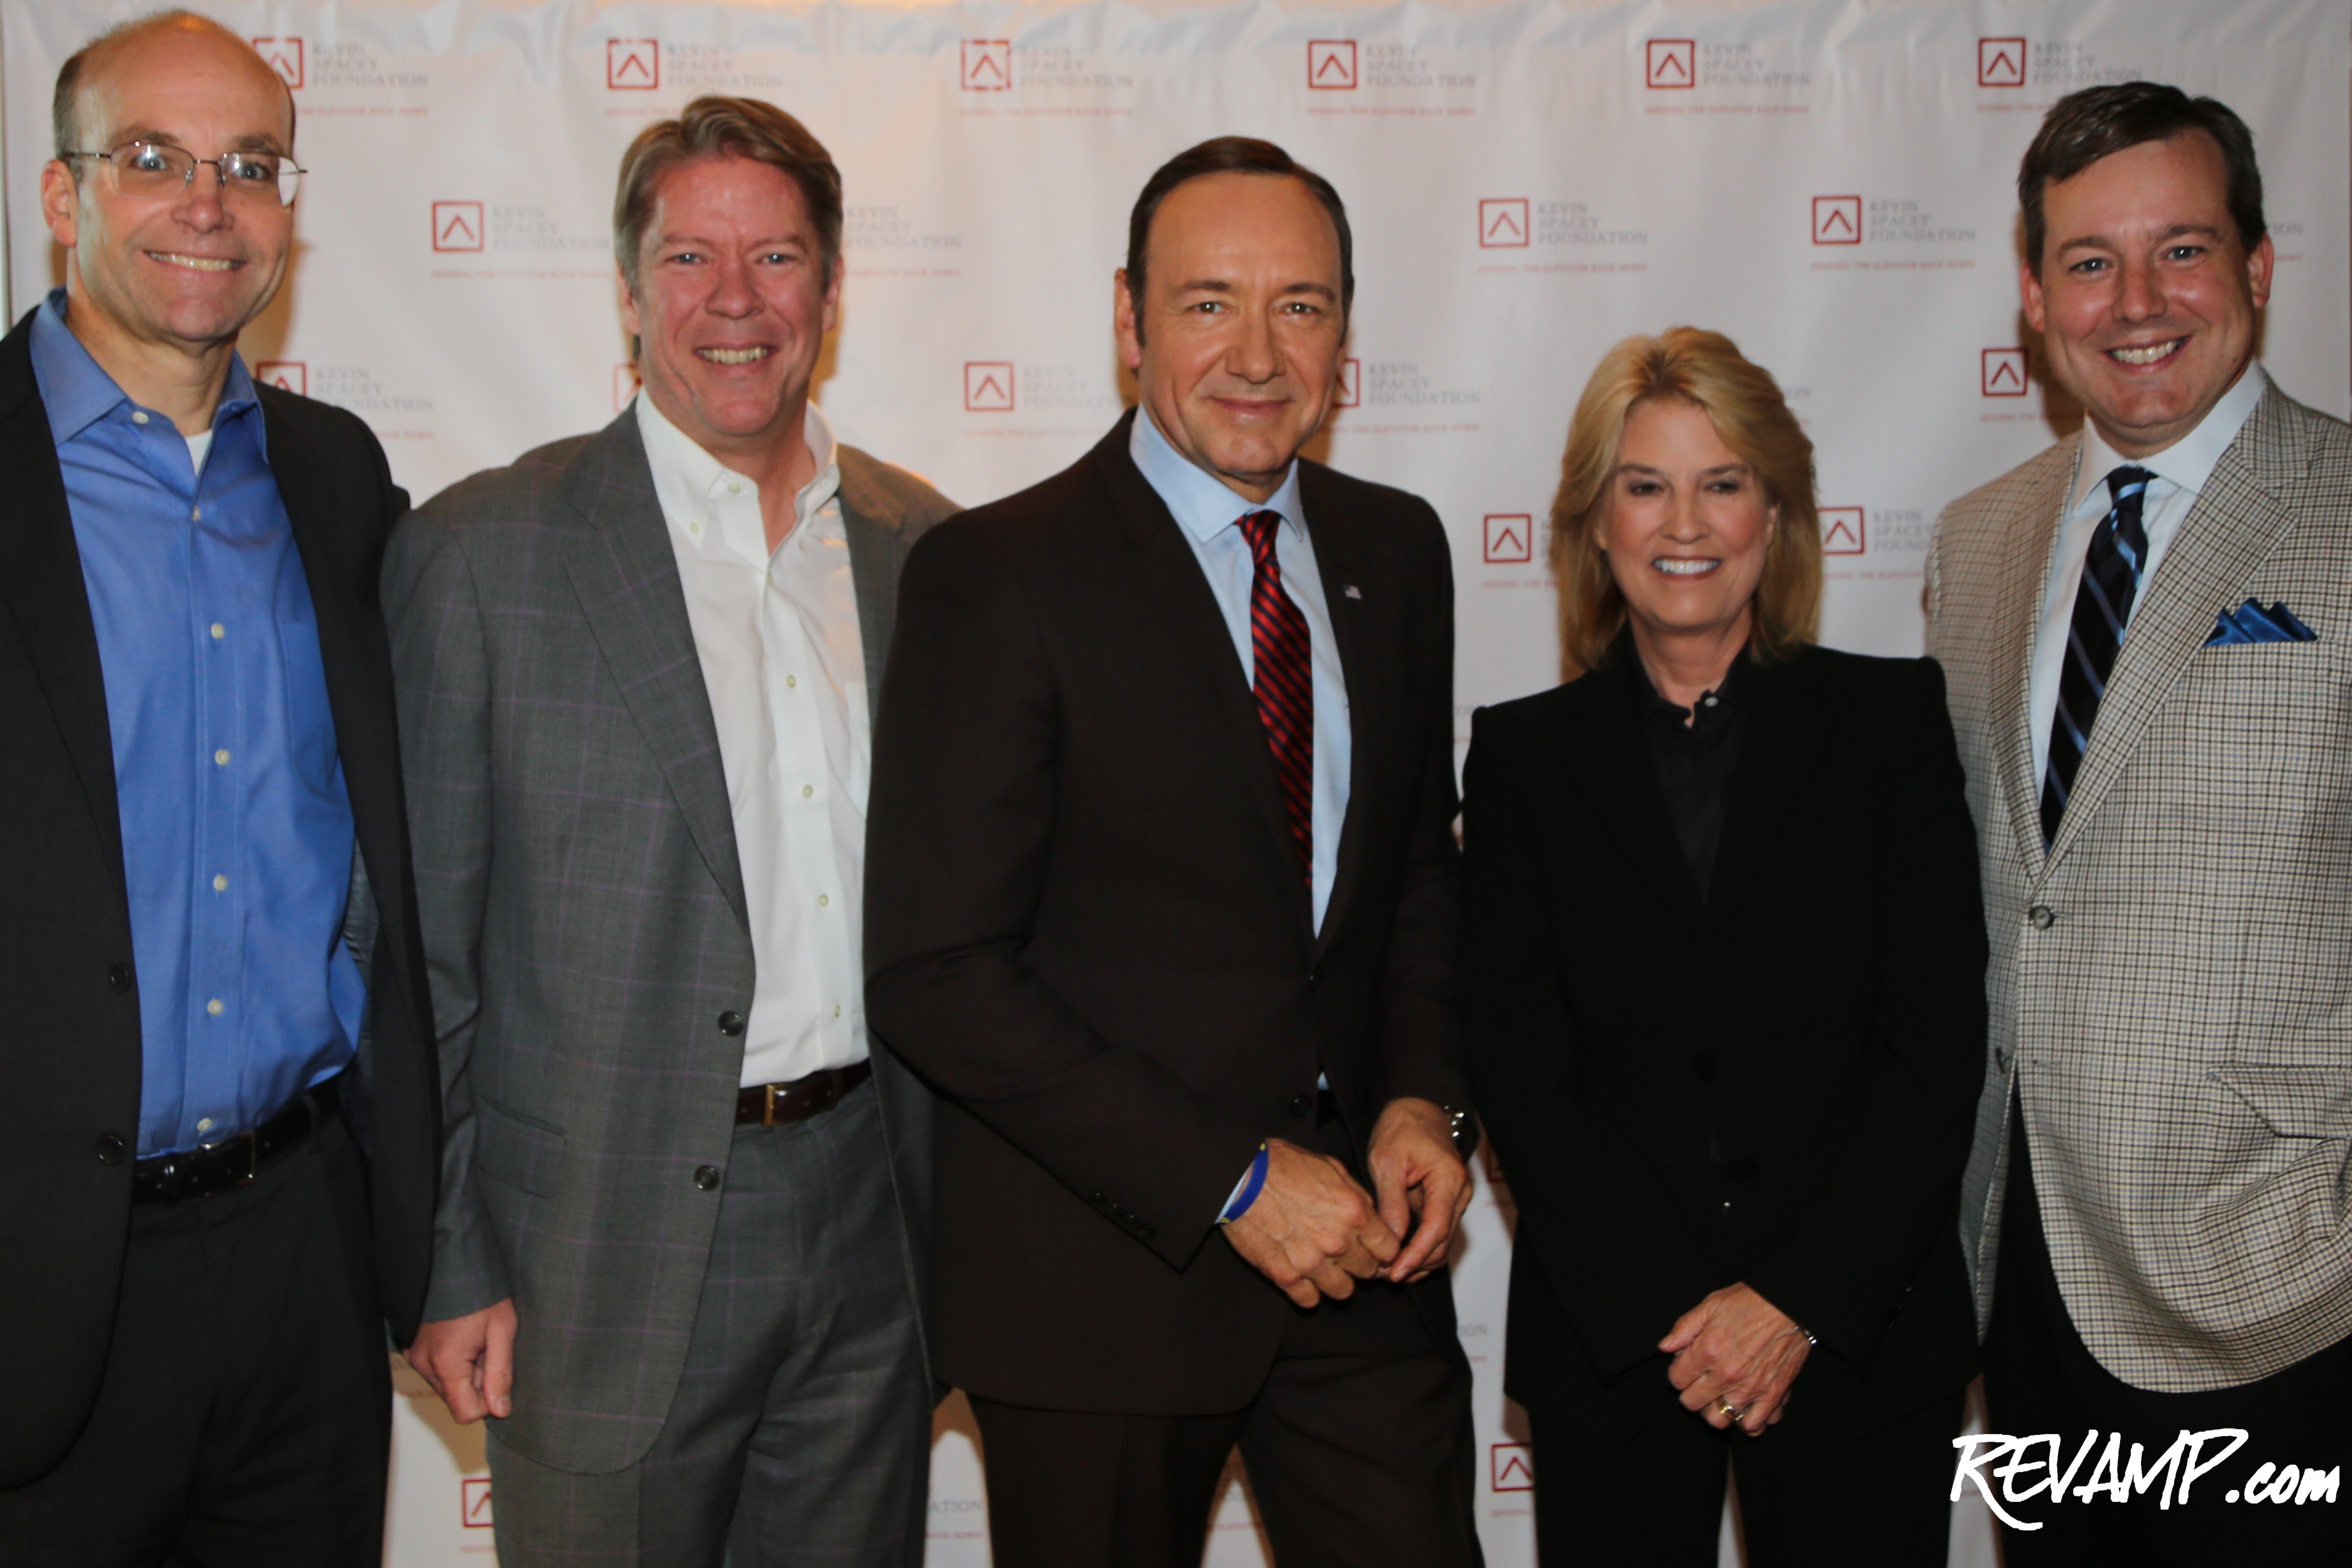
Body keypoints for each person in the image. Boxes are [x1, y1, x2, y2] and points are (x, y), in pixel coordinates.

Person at [864, 136, 1481, 1568]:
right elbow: (938, 973)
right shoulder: (999, 574)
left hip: (1366, 1272)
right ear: (1129, 320)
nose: (1258, 354)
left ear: (1344, 333)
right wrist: (1235, 1179)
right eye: (1210, 303)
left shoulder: (1398, 550)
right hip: (1103, 1292)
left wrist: (1423, 1101)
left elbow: (1415, 881)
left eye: (1300, 306)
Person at [387, 97, 954, 1567]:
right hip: (588, 1259)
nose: (735, 301)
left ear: (832, 287)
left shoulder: (928, 552)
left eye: (778, 258)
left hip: (872, 1230)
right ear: (630, 292)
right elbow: (420, 962)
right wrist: (446, 1259)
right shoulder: (481, 556)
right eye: (690, 258)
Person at [0, 13, 440, 1564]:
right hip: (39, 1272)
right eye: (154, 159)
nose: (209, 202)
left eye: (252, 166)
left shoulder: (337, 478)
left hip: (305, 1254)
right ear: (62, 195)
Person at [1458, 329, 1986, 1565]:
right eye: (1644, 485)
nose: (1684, 523)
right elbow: (1518, 1066)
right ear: (1595, 522)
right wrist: (1683, 1318)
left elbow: (1935, 1049)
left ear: (1776, 514)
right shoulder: (1525, 757)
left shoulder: (1890, 724)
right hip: (1617, 1344)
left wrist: (1796, 1303)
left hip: (1859, 1334)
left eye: (1723, 482)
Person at [1926, 81, 2352, 1564]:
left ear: (2258, 265)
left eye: (2182, 249)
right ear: (2036, 299)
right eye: (2090, 262)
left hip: (2294, 1285)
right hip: (2026, 1272)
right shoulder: (1979, 540)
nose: (2138, 302)